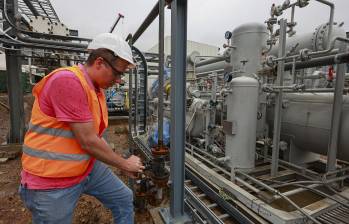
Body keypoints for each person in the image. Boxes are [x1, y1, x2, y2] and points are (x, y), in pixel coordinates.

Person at [19, 33, 144, 224]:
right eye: (117, 73)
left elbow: (95, 135)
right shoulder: (68, 81)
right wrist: (124, 164)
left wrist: (119, 161)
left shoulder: (96, 90)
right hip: (52, 182)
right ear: (99, 62)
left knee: (123, 198)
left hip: (86, 169)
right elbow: (87, 141)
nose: (119, 80)